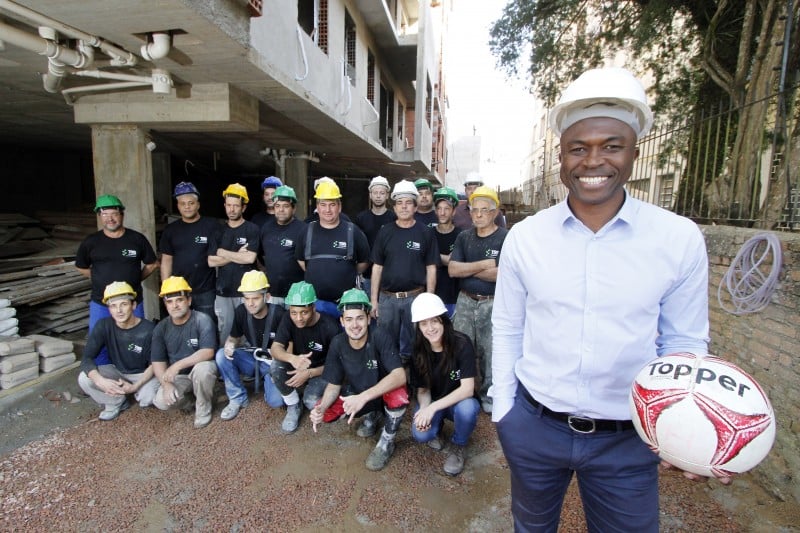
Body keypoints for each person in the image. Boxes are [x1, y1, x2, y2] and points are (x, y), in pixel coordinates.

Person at [491, 67, 716, 532]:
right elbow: (509, 326)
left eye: (611, 145)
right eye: (579, 148)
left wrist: (682, 429)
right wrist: (506, 412)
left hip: (629, 441)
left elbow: (684, 342)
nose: (593, 161)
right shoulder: (526, 238)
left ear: (634, 151)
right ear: (561, 156)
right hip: (534, 426)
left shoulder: (678, 239)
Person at [310, 289, 408, 471]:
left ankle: (387, 441)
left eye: (360, 318)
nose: (355, 325)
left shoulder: (380, 336)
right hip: (356, 393)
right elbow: (333, 385)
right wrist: (321, 407)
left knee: (399, 396)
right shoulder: (338, 343)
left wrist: (364, 397)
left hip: (379, 393)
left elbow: (400, 375)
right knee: (323, 410)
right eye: (349, 319)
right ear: (342, 321)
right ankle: (372, 415)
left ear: (369, 319)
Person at [76, 194, 158, 366]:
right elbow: (81, 266)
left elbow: (152, 264)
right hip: (101, 302)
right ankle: (103, 374)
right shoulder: (91, 242)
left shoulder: (136, 239)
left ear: (122, 215)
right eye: (105, 215)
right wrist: (99, 279)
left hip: (133, 300)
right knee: (98, 341)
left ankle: (137, 372)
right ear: (100, 217)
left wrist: (135, 279)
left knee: (136, 339)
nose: (110, 218)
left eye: (114, 214)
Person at [449, 186, 508, 414]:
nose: (479, 215)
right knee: (461, 346)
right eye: (475, 210)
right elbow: (453, 270)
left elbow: (502, 274)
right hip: (465, 300)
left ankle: (488, 395)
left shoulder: (505, 238)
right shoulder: (464, 237)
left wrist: (468, 269)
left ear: (495, 213)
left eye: (485, 210)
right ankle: (463, 392)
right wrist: (485, 264)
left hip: (492, 302)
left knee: (490, 350)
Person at [409, 293, 479, 476]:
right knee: (420, 433)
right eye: (424, 323)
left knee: (468, 409)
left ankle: (459, 445)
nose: (430, 328)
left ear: (444, 321)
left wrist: (432, 409)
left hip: (459, 401)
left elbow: (467, 389)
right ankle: (437, 429)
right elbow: (423, 389)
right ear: (418, 327)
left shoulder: (462, 344)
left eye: (434, 321)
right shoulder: (418, 350)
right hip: (434, 401)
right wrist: (425, 408)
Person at [370, 180, 439, 363]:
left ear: (415, 207)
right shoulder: (385, 232)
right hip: (387, 300)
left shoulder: (425, 233)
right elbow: (377, 267)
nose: (404, 206)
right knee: (386, 344)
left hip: (415, 298)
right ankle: (388, 384)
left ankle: (416, 383)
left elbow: (431, 267)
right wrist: (374, 300)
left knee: (418, 344)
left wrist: (428, 301)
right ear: (394, 207)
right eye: (399, 203)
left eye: (408, 202)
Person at [77, 281, 159, 421]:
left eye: (124, 304)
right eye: (113, 306)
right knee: (84, 379)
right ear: (109, 309)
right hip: (117, 371)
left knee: (148, 399)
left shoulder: (149, 329)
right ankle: (116, 402)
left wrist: (135, 387)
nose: (119, 310)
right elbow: (87, 358)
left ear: (133, 305)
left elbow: (155, 364)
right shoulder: (104, 325)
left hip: (142, 374)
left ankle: (133, 391)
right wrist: (100, 381)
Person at [269, 281, 340, 434]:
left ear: (313, 308)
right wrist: (291, 358)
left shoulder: (330, 327)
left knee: (311, 401)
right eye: (294, 312)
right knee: (275, 366)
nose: (298, 318)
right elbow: (275, 348)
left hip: (322, 370)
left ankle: (319, 396)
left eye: (304, 312)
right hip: (298, 364)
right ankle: (293, 405)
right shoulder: (288, 318)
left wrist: (309, 373)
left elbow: (337, 364)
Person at [215, 270, 286, 420]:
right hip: (253, 359)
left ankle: (270, 384)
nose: (250, 303)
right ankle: (237, 398)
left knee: (276, 401)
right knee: (222, 355)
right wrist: (230, 345)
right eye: (246, 299)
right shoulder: (241, 312)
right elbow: (233, 338)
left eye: (255, 298)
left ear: (267, 297)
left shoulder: (279, 314)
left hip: (273, 362)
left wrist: (280, 368)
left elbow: (290, 345)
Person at [295, 178, 369, 318]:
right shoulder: (306, 231)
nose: (327, 210)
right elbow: (302, 261)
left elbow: (363, 262)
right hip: (314, 305)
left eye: (332, 205)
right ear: (317, 206)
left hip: (344, 305)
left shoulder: (353, 231)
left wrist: (344, 272)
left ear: (339, 206)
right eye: (323, 204)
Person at [151, 276, 218, 429]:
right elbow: (157, 362)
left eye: (179, 300)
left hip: (199, 369)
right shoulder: (161, 328)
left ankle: (204, 408)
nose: (174, 305)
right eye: (170, 302)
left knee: (203, 370)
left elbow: (208, 352)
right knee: (161, 401)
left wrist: (178, 365)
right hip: (179, 377)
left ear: (189, 300)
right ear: (165, 304)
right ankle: (191, 401)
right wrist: (166, 384)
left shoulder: (202, 320)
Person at [158, 182, 220, 323]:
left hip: (206, 290)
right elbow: (166, 261)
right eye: (182, 203)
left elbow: (220, 254)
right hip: (179, 292)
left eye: (191, 203)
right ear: (178, 206)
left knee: (208, 326)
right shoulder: (171, 230)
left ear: (198, 204)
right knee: (182, 327)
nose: (187, 206)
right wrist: (166, 288)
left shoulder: (212, 226)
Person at [208, 183, 260, 342]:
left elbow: (250, 258)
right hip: (224, 292)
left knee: (248, 334)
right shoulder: (218, 230)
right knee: (226, 334)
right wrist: (238, 254)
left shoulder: (252, 229)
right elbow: (211, 261)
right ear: (224, 206)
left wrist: (223, 253)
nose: (232, 209)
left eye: (236, 206)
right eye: (229, 205)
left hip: (248, 293)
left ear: (243, 208)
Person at [259, 185, 306, 307]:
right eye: (277, 206)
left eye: (285, 206)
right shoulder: (266, 228)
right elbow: (259, 255)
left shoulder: (303, 230)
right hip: (272, 294)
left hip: (296, 295)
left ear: (293, 208)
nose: (281, 210)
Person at [354, 176, 397, 298]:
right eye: (375, 193)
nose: (378, 196)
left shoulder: (393, 218)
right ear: (370, 195)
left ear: (387, 195)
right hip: (367, 274)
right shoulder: (361, 218)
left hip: (388, 274)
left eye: (382, 193)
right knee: (369, 310)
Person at [432, 186, 462, 318]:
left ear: (454, 211)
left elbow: (456, 263)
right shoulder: (428, 234)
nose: (442, 213)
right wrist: (446, 259)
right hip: (432, 295)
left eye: (447, 209)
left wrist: (432, 256)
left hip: (454, 296)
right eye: (439, 208)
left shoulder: (461, 235)